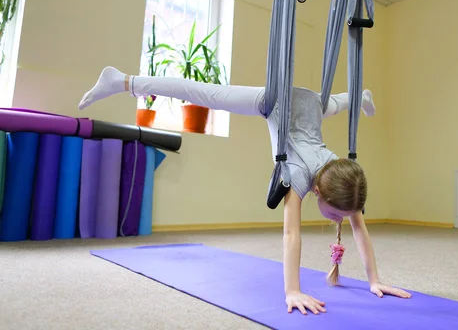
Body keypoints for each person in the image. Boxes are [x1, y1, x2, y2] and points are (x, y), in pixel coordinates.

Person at [78, 66, 412, 315]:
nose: (338, 221)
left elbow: (360, 228)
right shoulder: (296, 174)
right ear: (320, 196)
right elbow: (291, 235)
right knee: (204, 93)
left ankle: (359, 97)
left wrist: (374, 279)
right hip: (278, 102)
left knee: (333, 105)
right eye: (337, 215)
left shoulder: (340, 172)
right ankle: (122, 81)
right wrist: (292, 291)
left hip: (311, 105)